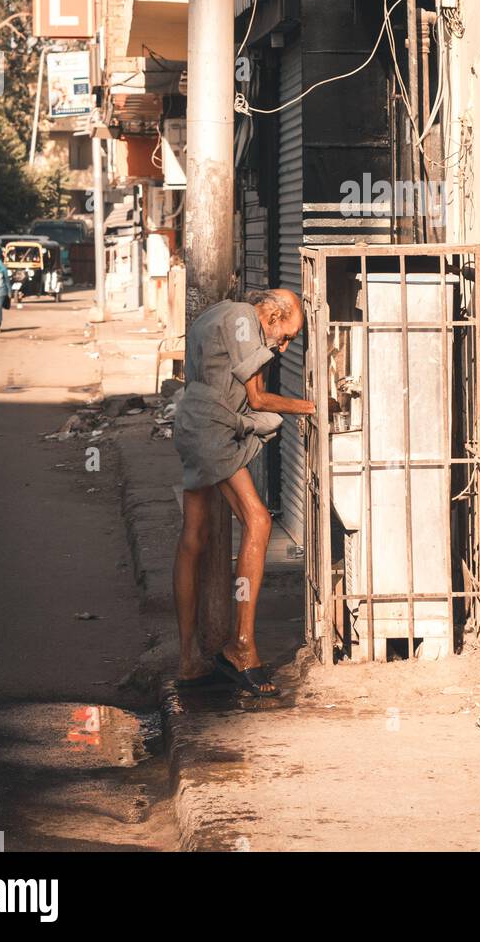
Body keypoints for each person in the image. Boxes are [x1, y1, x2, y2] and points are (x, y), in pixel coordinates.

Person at [172, 287, 314, 696]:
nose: (284, 346)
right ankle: (242, 645)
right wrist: (313, 406)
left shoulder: (221, 312)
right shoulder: (243, 321)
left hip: (195, 423)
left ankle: (188, 660)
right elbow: (256, 397)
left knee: (193, 539)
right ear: (272, 314)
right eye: (285, 334)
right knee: (258, 522)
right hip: (212, 430)